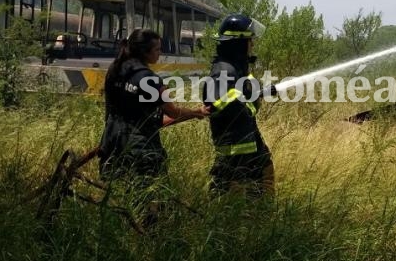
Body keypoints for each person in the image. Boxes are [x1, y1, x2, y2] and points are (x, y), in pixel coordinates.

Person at [99, 28, 209, 184]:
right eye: (157, 49)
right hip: (141, 151)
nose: (160, 53)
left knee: (119, 195)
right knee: (153, 201)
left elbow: (119, 111)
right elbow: (173, 112)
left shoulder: (115, 69)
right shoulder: (150, 80)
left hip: (112, 143)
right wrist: (196, 112)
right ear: (145, 52)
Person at [202, 13, 275, 197]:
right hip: (235, 143)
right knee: (235, 190)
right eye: (250, 41)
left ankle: (263, 214)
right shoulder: (223, 70)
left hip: (247, 137)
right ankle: (237, 221)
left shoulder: (236, 67)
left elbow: (244, 95)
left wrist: (261, 92)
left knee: (265, 172)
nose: (253, 45)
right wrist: (251, 100)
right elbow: (220, 103)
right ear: (238, 43)